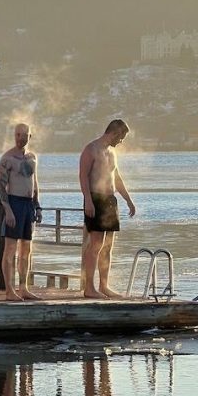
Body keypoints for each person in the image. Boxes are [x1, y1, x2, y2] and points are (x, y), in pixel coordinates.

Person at [79, 119, 136, 299]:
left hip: (110, 200)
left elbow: (116, 177)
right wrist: (88, 200)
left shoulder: (112, 152)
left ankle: (104, 286)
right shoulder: (91, 149)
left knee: (108, 246)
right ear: (114, 133)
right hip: (95, 198)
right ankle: (89, 287)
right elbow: (83, 176)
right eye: (122, 137)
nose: (122, 141)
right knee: (95, 244)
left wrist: (128, 199)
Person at [0, 123, 42, 301]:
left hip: (28, 204)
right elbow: (1, 186)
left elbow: (35, 183)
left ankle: (24, 287)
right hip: (13, 203)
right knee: (10, 248)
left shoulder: (32, 157)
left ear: (30, 137)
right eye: (17, 135)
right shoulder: (7, 159)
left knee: (27, 248)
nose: (20, 138)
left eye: (24, 135)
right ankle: (10, 290)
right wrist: (8, 210)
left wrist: (37, 206)